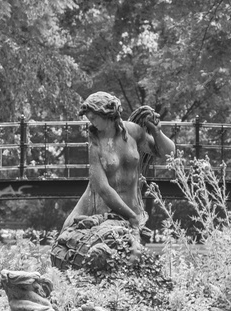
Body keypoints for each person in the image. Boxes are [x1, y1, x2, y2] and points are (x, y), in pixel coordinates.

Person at [66, 91, 176, 229]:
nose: (91, 122)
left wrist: (157, 132)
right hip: (101, 213)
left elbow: (169, 154)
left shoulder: (133, 131)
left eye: (93, 118)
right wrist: (131, 216)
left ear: (106, 113)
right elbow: (103, 188)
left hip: (132, 209)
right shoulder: (96, 143)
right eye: (89, 118)